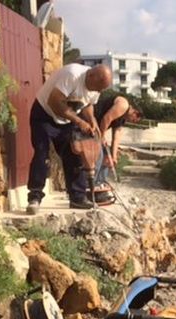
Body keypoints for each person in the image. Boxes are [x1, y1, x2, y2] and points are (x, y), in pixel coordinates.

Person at [26, 63, 112, 215]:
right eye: (98, 87)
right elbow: (54, 101)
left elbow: (88, 104)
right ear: (91, 76)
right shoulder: (72, 75)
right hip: (45, 114)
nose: (99, 91)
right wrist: (79, 121)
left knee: (74, 155)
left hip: (66, 121)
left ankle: (77, 198)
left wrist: (92, 120)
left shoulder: (96, 86)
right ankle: (35, 197)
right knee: (42, 154)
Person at [90, 94, 143, 202]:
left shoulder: (122, 118)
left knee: (107, 159)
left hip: (98, 128)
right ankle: (90, 188)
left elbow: (117, 136)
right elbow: (106, 119)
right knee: (99, 156)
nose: (131, 122)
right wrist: (102, 136)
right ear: (135, 112)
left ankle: (100, 186)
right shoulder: (123, 105)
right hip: (91, 120)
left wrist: (113, 157)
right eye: (134, 120)